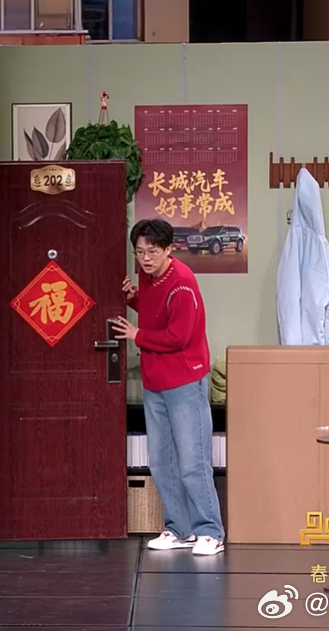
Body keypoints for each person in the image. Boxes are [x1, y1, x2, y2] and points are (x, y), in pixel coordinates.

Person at [111, 218, 225, 556]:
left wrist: (137, 335)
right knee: (161, 461)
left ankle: (210, 531)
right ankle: (179, 528)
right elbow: (155, 312)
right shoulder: (148, 278)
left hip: (185, 382)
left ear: (169, 249)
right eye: (139, 252)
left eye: (152, 252)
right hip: (155, 382)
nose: (145, 259)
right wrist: (133, 299)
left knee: (192, 462)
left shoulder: (182, 283)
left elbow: (179, 336)